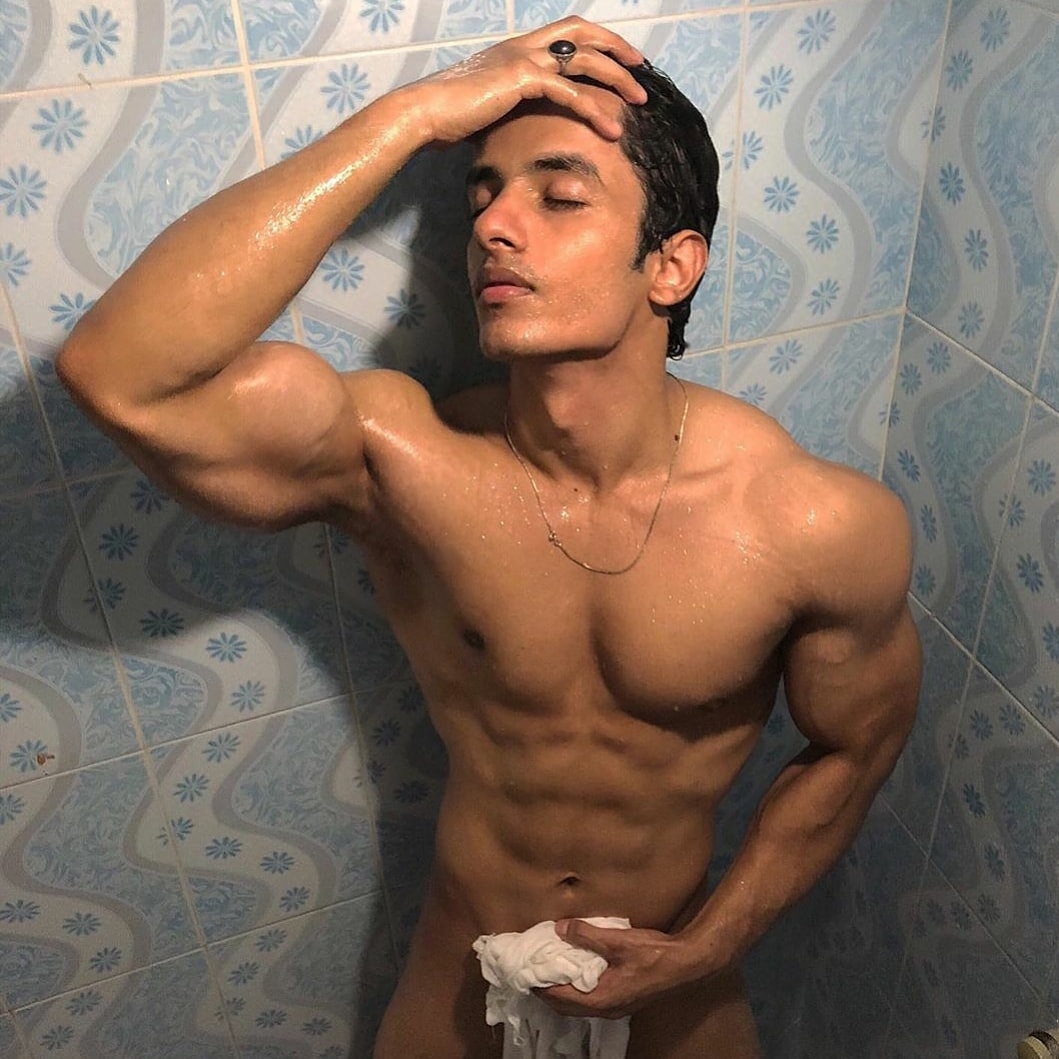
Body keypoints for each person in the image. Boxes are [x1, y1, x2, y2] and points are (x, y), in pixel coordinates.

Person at [56, 17, 921, 1058]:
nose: (496, 228)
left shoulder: (810, 523)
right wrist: (414, 115)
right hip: (462, 968)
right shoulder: (402, 459)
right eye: (482, 198)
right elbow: (123, 375)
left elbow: (855, 746)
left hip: (672, 975)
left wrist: (709, 946)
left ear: (671, 266)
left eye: (558, 197)